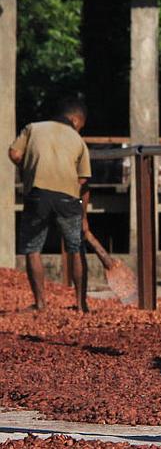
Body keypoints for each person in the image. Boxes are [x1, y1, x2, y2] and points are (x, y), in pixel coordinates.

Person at [8, 97, 91, 312]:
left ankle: (40, 304)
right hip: (69, 198)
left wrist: (28, 168)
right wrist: (82, 213)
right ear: (75, 119)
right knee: (75, 248)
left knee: (33, 248)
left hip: (38, 194)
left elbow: (15, 153)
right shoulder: (78, 140)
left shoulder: (32, 128)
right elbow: (83, 181)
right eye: (81, 124)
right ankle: (82, 306)